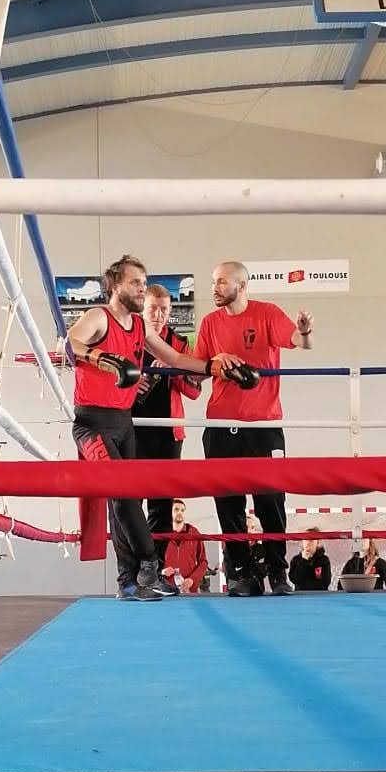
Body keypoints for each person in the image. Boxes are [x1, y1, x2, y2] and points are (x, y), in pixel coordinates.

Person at [66, 256, 239, 601]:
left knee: (123, 500)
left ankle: (128, 583)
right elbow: (71, 342)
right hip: (92, 423)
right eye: (135, 283)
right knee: (122, 493)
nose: (141, 289)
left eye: (144, 284)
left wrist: (213, 366)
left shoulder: (139, 326)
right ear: (115, 285)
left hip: (123, 423)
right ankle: (149, 562)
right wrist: (103, 359)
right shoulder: (99, 316)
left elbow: (175, 359)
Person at [194, 260, 313, 597]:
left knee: (271, 500)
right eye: (213, 281)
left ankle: (277, 572)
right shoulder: (209, 322)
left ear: (242, 285)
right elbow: (198, 369)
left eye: (221, 282)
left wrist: (304, 331)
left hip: (264, 425)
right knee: (227, 503)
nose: (215, 288)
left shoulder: (267, 313)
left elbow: (298, 341)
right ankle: (241, 573)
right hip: (220, 425)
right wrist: (209, 363)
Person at [134, 283, 202, 546]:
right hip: (132, 430)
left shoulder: (179, 344)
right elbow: (109, 382)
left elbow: (194, 392)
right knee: (130, 501)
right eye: (153, 308)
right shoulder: (129, 339)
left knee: (162, 504)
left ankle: (157, 564)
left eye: (164, 309)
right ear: (142, 308)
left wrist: (174, 369)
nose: (158, 315)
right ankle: (133, 563)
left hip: (168, 434)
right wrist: (131, 383)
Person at [161, 499, 209, 594]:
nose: (180, 513)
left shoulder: (194, 533)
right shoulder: (161, 533)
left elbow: (203, 562)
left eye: (182, 510)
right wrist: (162, 572)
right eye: (176, 509)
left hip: (190, 590)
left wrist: (192, 579)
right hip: (166, 590)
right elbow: (152, 561)